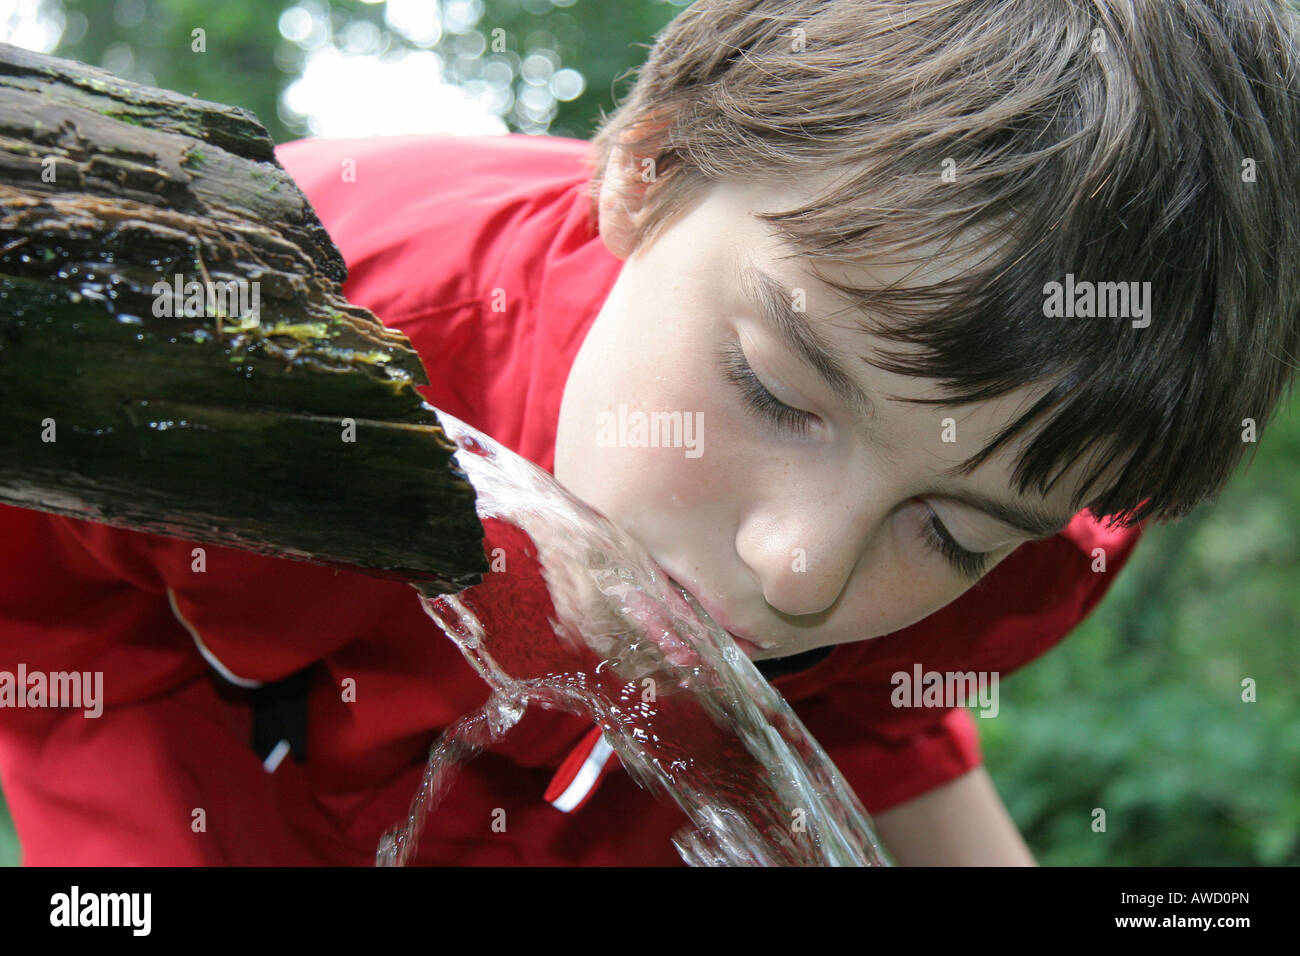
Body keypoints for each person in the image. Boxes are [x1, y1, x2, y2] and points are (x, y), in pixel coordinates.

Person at [1, 0, 1296, 865]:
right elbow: (58, 643)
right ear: (649, 172)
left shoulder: (1053, 529)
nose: (806, 570)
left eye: (951, 532)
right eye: (780, 396)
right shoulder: (267, 325)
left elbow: (873, 723)